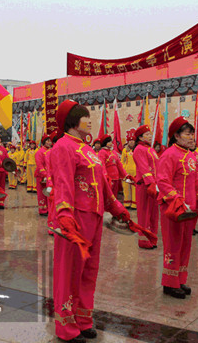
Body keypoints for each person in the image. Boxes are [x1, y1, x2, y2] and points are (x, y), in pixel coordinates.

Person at [50, 100, 130, 343]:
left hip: (94, 216)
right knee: (69, 271)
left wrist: (115, 207)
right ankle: (66, 326)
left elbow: (103, 182)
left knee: (88, 270)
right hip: (75, 217)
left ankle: (83, 319)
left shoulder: (87, 149)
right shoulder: (63, 146)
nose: (90, 121)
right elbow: (63, 182)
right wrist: (64, 214)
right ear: (73, 121)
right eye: (85, 117)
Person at [157, 117, 198, 299]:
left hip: (190, 211)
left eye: (192, 134)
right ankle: (169, 283)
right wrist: (177, 200)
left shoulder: (191, 156)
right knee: (173, 245)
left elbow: (196, 184)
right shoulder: (169, 155)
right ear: (176, 136)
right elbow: (162, 181)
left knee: (185, 245)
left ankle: (180, 279)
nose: (192, 137)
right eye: (187, 134)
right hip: (174, 210)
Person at [132, 125, 160, 249]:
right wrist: (151, 183)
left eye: (150, 133)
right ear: (140, 137)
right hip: (145, 185)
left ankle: (152, 239)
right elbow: (144, 168)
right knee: (144, 214)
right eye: (147, 134)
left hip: (154, 185)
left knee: (154, 214)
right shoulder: (139, 149)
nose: (150, 136)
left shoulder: (151, 149)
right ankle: (144, 241)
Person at [35, 134, 52, 216]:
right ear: (44, 142)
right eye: (47, 141)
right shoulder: (39, 152)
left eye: (50, 141)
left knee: (49, 193)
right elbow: (39, 165)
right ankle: (42, 209)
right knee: (42, 193)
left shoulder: (51, 151)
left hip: (49, 176)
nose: (49, 142)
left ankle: (49, 208)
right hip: (41, 176)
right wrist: (45, 174)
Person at [121, 139, 137, 210]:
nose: (131, 142)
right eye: (130, 140)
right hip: (126, 172)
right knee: (126, 188)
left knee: (134, 188)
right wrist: (122, 171)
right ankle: (127, 203)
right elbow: (122, 161)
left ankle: (134, 204)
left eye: (133, 140)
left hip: (135, 172)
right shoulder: (124, 150)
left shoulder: (137, 150)